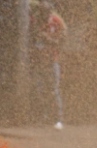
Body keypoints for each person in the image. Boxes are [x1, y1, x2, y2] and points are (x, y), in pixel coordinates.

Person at [30, 0, 66, 130]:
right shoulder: (34, 19)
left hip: (52, 60)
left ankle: (58, 118)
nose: (44, 5)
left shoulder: (57, 20)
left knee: (53, 90)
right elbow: (31, 38)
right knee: (39, 89)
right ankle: (41, 116)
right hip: (38, 60)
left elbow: (63, 39)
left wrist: (48, 39)